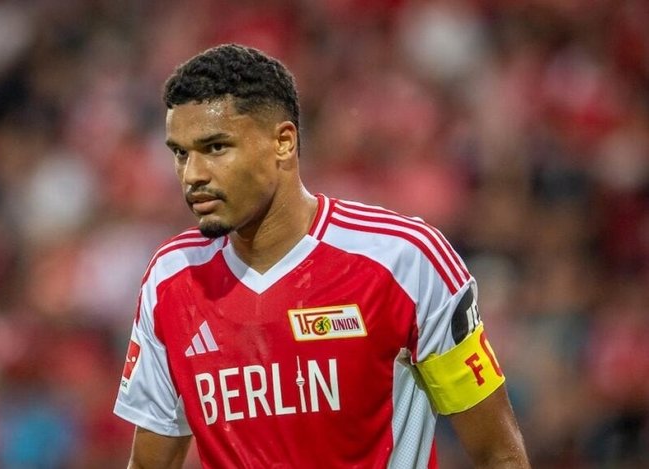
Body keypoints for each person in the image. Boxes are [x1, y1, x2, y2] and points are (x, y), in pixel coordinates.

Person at [113, 43, 529, 468]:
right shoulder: (171, 278)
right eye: (180, 153)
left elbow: (499, 455)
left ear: (283, 142)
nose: (193, 175)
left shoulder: (403, 261)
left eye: (216, 147)